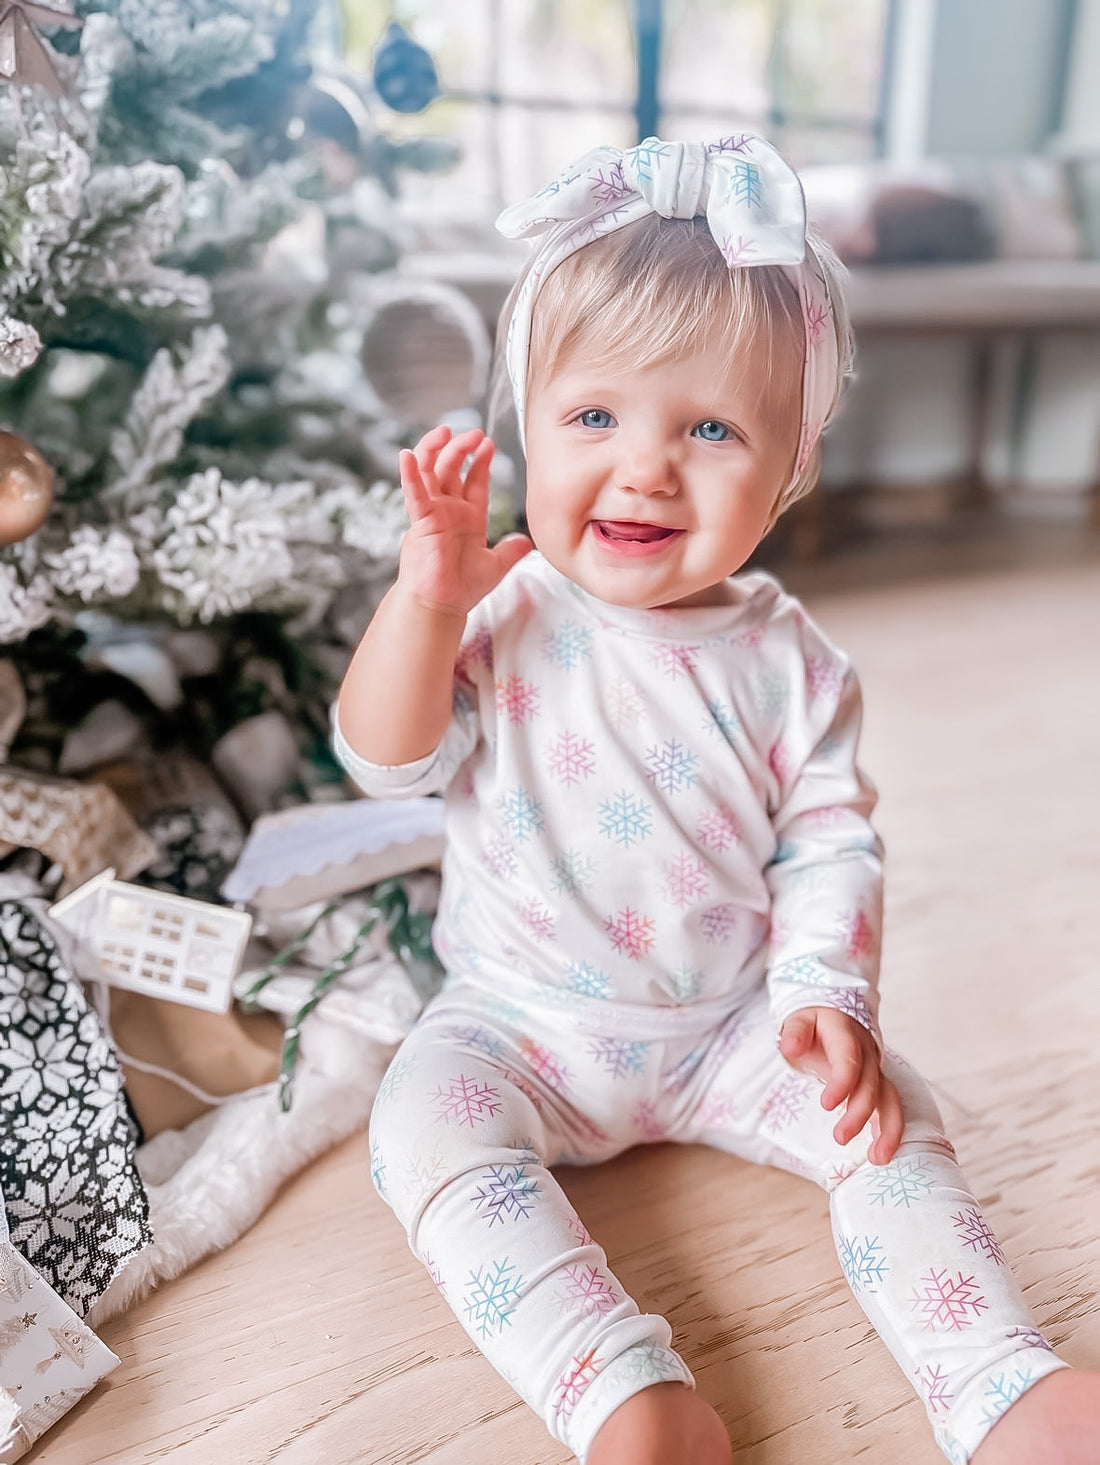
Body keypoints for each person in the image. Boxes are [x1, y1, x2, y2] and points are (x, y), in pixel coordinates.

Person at [334, 135, 1099, 1464]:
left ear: (791, 460)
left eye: (707, 428)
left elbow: (830, 844)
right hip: (518, 1019)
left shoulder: (793, 664)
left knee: (895, 1122)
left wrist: (825, 998)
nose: (645, 469)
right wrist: (424, 604)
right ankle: (624, 1394)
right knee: (417, 1132)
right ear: (528, 421)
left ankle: (999, 1379)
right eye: (594, 418)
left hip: (739, 1022)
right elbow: (383, 757)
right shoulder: (504, 612)